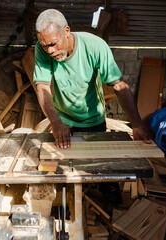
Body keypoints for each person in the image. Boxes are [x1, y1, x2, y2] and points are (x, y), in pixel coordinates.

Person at [33, 9, 151, 149]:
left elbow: (119, 86)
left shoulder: (95, 46)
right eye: (45, 45)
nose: (50, 51)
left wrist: (137, 124)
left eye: (53, 44)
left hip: (93, 121)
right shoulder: (41, 49)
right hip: (63, 120)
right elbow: (42, 87)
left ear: (67, 31)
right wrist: (56, 122)